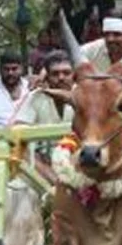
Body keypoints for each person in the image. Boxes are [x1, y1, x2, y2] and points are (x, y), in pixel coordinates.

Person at [13, 51, 74, 181]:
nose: (61, 77)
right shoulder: (35, 97)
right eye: (55, 74)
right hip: (42, 169)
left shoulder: (85, 96)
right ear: (46, 77)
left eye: (66, 73)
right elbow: (17, 132)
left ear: (74, 74)